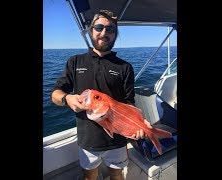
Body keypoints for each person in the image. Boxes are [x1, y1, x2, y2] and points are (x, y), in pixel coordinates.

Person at [51, 10, 150, 180]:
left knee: (117, 174)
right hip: (88, 141)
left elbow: (129, 102)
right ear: (91, 31)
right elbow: (55, 94)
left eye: (110, 29)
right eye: (99, 27)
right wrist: (67, 98)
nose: (104, 33)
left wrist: (140, 123)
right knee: (89, 176)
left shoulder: (125, 67)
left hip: (118, 139)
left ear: (115, 35)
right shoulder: (75, 62)